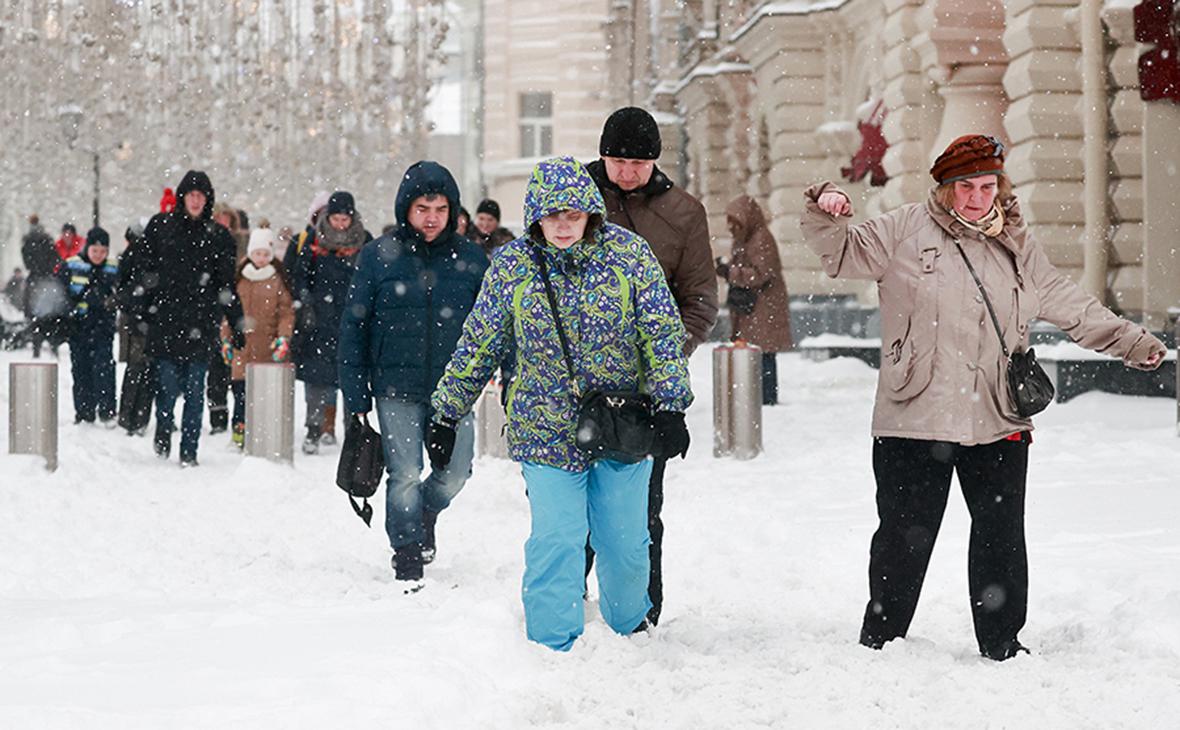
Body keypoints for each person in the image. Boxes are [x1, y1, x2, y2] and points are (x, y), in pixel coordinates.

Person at [800, 134, 1168, 661]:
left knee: (1000, 536)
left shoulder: (1015, 243)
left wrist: (1128, 341)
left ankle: (1001, 643)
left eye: (987, 185)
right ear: (946, 189)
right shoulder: (905, 228)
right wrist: (825, 204)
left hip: (997, 415)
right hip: (915, 414)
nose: (978, 197)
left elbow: (1068, 302)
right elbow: (841, 251)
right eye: (966, 187)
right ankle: (881, 641)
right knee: (905, 536)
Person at [429, 156, 693, 650]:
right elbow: (479, 342)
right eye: (553, 216)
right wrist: (447, 411)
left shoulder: (630, 257)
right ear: (536, 217)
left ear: (591, 213)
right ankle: (552, 647)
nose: (564, 226)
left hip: (621, 426)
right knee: (557, 541)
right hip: (543, 427)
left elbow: (660, 333)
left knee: (624, 545)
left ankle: (628, 636)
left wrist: (671, 404)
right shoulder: (513, 267)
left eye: (573, 215)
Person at [584, 106, 718, 627]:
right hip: (573, 381)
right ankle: (566, 601)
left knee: (640, 506)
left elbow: (700, 298)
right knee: (569, 507)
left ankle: (641, 610)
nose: (627, 172)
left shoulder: (683, 213)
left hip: (642, 388)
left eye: (638, 162)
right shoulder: (573, 201)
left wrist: (666, 356)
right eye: (617, 160)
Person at [338, 161, 488, 589]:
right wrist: (356, 396)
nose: (431, 217)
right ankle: (406, 551)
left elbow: (493, 325)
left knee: (457, 472)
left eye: (440, 208)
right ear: (407, 208)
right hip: (394, 387)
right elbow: (354, 327)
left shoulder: (471, 260)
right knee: (403, 472)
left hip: (453, 388)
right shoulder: (378, 257)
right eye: (423, 207)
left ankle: (426, 510)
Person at [133, 170, 243, 467]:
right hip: (165, 321)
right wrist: (140, 308)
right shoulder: (161, 227)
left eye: (201, 195)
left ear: (207, 200)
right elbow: (142, 268)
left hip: (200, 322)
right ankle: (163, 432)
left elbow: (225, 284)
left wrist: (236, 320)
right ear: (182, 197)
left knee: (195, 390)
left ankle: (189, 450)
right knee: (166, 389)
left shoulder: (219, 237)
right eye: (191, 194)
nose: (195, 200)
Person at [289, 190, 371, 454]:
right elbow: (300, 277)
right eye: (335, 218)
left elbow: (373, 279)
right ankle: (313, 429)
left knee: (351, 379)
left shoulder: (364, 242)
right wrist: (306, 305)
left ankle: (352, 432)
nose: (340, 224)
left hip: (352, 321)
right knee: (316, 380)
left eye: (344, 218)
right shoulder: (314, 241)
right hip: (319, 322)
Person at [220, 228, 295, 447]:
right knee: (241, 395)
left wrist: (283, 337)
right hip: (242, 348)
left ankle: (263, 434)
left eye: (265, 254)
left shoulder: (277, 280)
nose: (261, 259)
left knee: (264, 397)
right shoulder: (239, 280)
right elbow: (228, 314)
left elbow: (286, 313)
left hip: (266, 348)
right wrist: (226, 338)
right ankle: (239, 433)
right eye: (257, 253)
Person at [715, 195, 793, 405]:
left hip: (763, 305)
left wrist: (731, 272)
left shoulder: (760, 238)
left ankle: (766, 397)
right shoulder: (745, 238)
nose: (731, 226)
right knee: (754, 351)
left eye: (735, 221)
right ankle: (758, 395)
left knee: (764, 352)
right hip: (752, 305)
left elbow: (763, 273)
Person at [57, 227, 120, 426]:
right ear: (87, 248)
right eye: (95, 251)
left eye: (103, 252)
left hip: (103, 326)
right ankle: (84, 412)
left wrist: (111, 302)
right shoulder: (71, 265)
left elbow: (121, 291)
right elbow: (61, 293)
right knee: (81, 369)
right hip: (79, 327)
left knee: (105, 369)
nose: (99, 256)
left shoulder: (114, 267)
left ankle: (107, 410)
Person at [207, 203, 248, 434]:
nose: (223, 224)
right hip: (217, 307)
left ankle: (240, 417)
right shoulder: (208, 242)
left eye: (227, 220)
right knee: (217, 365)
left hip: (239, 305)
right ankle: (218, 415)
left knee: (239, 365)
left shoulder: (242, 243)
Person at [116, 219, 154, 436]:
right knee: (147, 372)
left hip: (136, 321)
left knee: (134, 369)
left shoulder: (128, 257)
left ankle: (127, 416)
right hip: (150, 321)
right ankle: (139, 417)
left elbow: (122, 289)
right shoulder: (153, 256)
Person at [21, 214, 66, 358]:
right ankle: (53, 345)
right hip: (46, 278)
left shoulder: (28, 241)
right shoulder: (47, 240)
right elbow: (55, 258)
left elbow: (26, 261)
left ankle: (37, 347)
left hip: (35, 278)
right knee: (51, 314)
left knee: (35, 316)